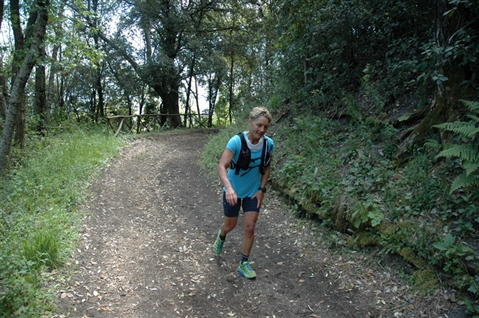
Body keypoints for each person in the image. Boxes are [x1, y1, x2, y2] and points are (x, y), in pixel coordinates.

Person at [213, 107, 274, 279]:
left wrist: (262, 189)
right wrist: (229, 188)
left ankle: (244, 263)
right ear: (250, 122)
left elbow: (267, 167)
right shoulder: (237, 142)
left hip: (253, 191)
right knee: (230, 225)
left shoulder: (268, 144)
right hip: (233, 191)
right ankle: (222, 235)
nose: (262, 130)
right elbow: (221, 166)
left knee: (250, 227)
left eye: (265, 127)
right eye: (259, 125)